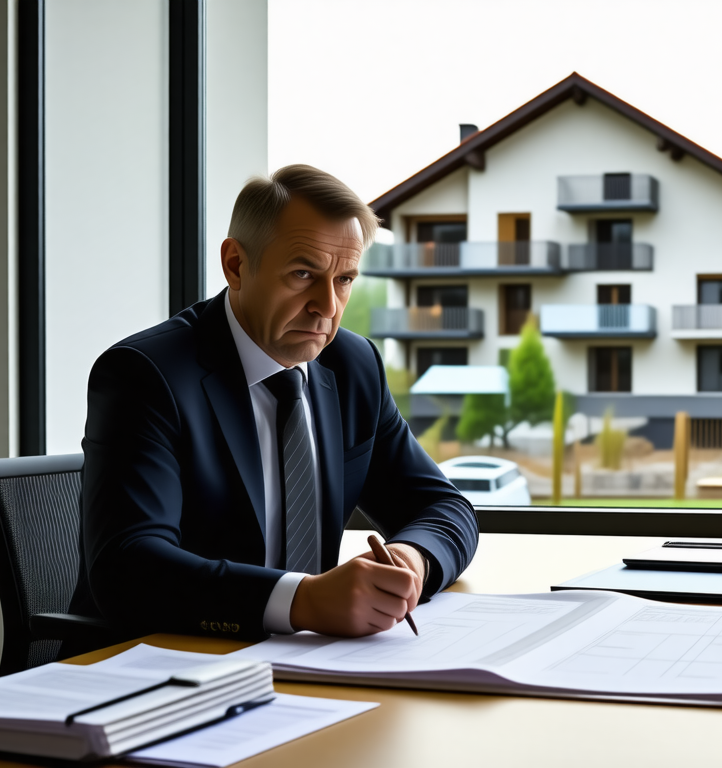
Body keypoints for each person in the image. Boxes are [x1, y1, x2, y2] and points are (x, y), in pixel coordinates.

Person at [69, 164, 477, 639]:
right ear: (236, 265)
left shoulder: (353, 365)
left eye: (344, 279)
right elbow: (128, 567)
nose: (327, 306)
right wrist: (302, 600)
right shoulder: (145, 375)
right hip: (162, 660)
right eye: (303, 274)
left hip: (311, 660)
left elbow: (444, 508)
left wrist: (411, 560)